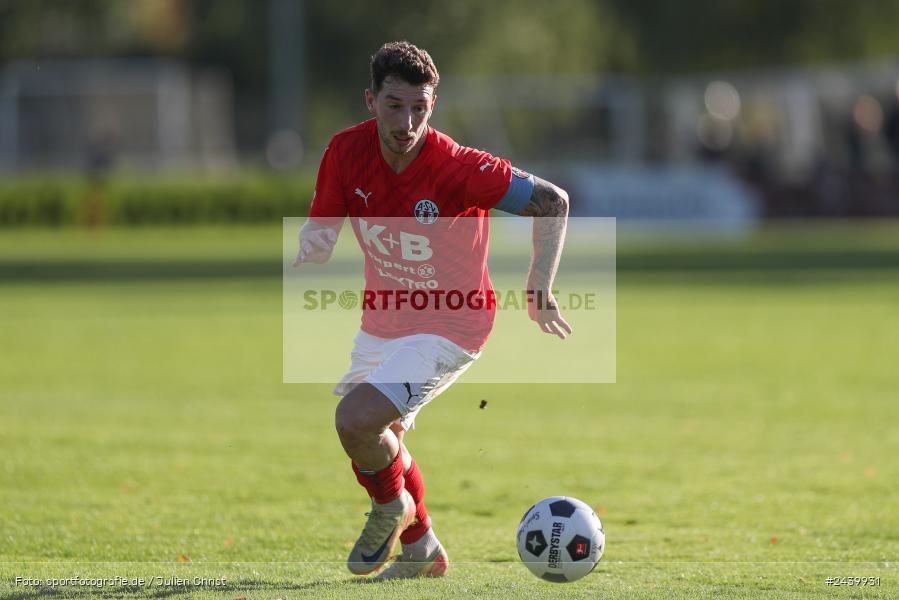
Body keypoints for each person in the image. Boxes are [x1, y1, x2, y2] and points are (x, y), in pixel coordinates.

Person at [293, 41, 571, 580]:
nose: (408, 121)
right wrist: (315, 240)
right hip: (384, 320)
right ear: (371, 100)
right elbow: (323, 224)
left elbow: (553, 201)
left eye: (419, 107)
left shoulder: (458, 167)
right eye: (395, 105)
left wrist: (539, 284)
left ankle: (391, 511)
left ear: (432, 106)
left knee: (356, 419)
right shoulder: (344, 152)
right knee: (369, 438)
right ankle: (422, 550)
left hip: (453, 322)